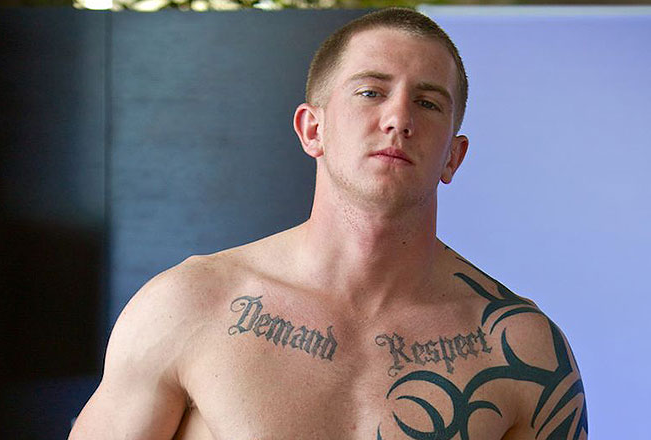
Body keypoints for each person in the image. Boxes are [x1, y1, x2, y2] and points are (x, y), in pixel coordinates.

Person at [69, 7, 587, 440]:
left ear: (453, 157)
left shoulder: (521, 351)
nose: (399, 119)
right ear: (312, 129)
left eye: (428, 102)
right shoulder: (189, 306)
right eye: (371, 92)